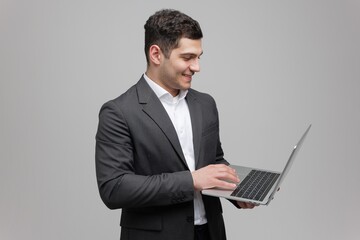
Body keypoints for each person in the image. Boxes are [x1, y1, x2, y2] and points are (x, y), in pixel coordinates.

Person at [95, 9, 256, 240]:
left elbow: (214, 160)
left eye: (199, 57)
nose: (197, 67)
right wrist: (192, 181)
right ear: (156, 54)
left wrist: (237, 191)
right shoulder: (118, 112)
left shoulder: (205, 103)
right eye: (188, 57)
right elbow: (114, 188)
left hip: (210, 232)